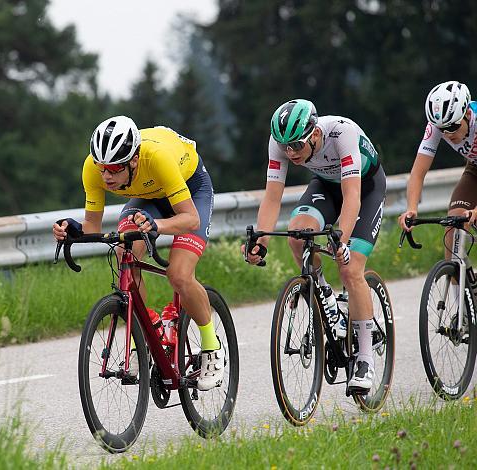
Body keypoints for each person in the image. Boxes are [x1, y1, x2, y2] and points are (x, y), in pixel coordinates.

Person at [52, 116, 223, 391]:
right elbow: (92, 227)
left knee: (179, 275)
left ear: (133, 161)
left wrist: (160, 225)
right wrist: (71, 229)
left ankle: (211, 347)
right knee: (125, 252)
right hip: (149, 196)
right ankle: (143, 333)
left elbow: (190, 219)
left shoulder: (156, 158)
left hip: (191, 189)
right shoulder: (93, 169)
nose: (106, 176)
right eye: (101, 167)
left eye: (114, 169)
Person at [242, 99, 387, 392]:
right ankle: (326, 298)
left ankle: (365, 360)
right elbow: (272, 197)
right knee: (297, 234)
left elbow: (352, 198)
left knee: (351, 268)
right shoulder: (280, 142)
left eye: (297, 145)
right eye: (286, 147)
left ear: (316, 135)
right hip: (325, 187)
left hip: (364, 189)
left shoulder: (342, 134)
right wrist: (262, 240)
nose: (290, 153)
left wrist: (342, 242)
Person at [398, 81, 477, 255]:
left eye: (453, 127)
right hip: (475, 168)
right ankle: (456, 280)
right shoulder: (436, 125)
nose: (448, 134)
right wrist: (412, 208)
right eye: (443, 129)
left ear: (468, 114)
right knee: (453, 223)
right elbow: (418, 173)